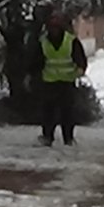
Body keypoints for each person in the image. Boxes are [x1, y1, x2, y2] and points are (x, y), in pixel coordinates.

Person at [36, 10, 89, 146]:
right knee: (49, 112)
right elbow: (36, 60)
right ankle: (48, 136)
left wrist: (80, 68)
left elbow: (80, 58)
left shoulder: (71, 41)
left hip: (67, 82)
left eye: (56, 27)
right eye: (52, 27)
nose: (54, 30)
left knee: (67, 112)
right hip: (49, 81)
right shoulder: (43, 42)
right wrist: (33, 74)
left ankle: (68, 138)